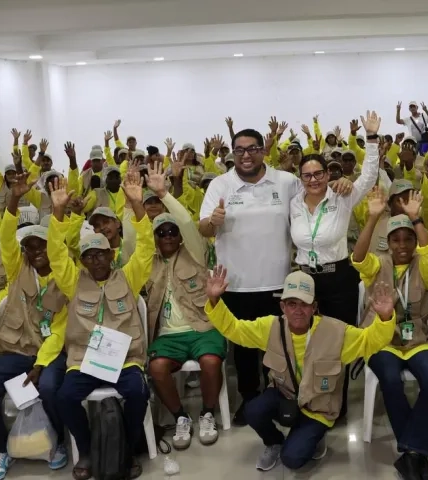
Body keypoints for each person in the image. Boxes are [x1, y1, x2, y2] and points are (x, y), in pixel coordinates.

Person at [204, 266, 396, 471]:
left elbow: (369, 341)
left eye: (304, 304)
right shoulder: (270, 327)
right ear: (282, 306)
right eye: (291, 304)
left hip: (318, 408)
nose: (298, 310)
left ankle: (313, 435)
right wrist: (215, 301)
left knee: (293, 460)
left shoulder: (337, 332)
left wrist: (384, 318)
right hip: (284, 396)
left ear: (314, 307)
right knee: (252, 410)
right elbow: (235, 329)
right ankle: (275, 441)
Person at [48, 171, 154, 480]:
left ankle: (129, 449)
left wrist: (137, 206)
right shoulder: (73, 282)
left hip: (125, 358)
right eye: (89, 256)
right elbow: (56, 254)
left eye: (101, 254)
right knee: (65, 397)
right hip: (84, 360)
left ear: (112, 255)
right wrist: (57, 212)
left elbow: (146, 249)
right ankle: (88, 449)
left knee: (138, 392)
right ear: (82, 260)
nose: (96, 261)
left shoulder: (128, 277)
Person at [197, 127, 302, 426]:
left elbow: (310, 205)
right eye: (239, 150)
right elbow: (203, 228)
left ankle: (282, 394)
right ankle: (249, 398)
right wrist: (212, 223)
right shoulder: (220, 185)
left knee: (279, 345)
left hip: (278, 281)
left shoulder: (286, 182)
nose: (246, 155)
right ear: (232, 153)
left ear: (263, 151)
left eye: (252, 148)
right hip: (236, 284)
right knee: (243, 349)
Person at [0, 176, 70, 480]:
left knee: (52, 387)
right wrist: (13, 200)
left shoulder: (67, 275)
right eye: (30, 246)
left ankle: (58, 442)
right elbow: (6, 237)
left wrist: (40, 365)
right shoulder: (16, 269)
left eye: (41, 244)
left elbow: (59, 332)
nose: (36, 250)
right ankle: (2, 450)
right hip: (15, 350)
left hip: (50, 353)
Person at [289, 111, 380, 419]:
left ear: (327, 175)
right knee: (306, 341)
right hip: (304, 281)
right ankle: (307, 398)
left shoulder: (342, 197)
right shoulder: (294, 204)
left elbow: (368, 176)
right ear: (301, 178)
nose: (313, 180)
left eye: (319, 174)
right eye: (307, 175)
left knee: (336, 343)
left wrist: (371, 139)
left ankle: (335, 405)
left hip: (338, 278)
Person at [352, 188, 428, 480]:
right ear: (388, 243)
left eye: (408, 239)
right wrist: (372, 217)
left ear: (415, 241)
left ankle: (410, 452)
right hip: (381, 338)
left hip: (416, 338)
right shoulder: (378, 264)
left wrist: (416, 219)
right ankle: (416, 451)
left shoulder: (424, 267)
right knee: (390, 380)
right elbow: (358, 256)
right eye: (396, 239)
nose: (402, 245)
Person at [143, 164, 225, 449]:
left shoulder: (195, 253)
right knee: (157, 368)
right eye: (161, 232)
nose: (167, 236)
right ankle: (180, 417)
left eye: (171, 232)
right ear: (154, 238)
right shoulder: (145, 262)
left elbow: (188, 224)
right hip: (167, 335)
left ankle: (207, 413)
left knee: (211, 362)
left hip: (202, 326)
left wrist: (164, 193)